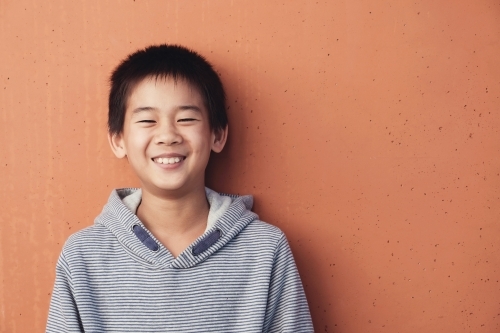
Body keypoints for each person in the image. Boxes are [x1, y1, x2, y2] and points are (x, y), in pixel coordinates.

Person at [46, 44, 313, 332]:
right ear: (118, 139)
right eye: (147, 120)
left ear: (217, 135)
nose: (168, 135)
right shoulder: (83, 255)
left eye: (186, 119)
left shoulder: (265, 250)